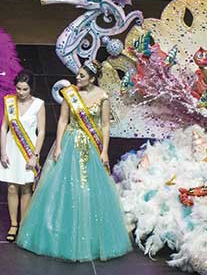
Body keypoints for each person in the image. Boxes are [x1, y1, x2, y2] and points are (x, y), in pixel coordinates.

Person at [15, 63, 131, 261]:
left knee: (90, 190)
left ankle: (91, 240)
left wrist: (104, 151)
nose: (78, 78)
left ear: (92, 79)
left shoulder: (102, 96)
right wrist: (58, 145)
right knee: (64, 188)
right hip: (70, 142)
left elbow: (104, 125)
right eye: (78, 74)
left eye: (82, 75)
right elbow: (62, 120)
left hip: (92, 147)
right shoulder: (69, 93)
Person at [0, 70, 45, 243]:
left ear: (31, 88)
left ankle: (24, 224)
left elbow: (42, 132)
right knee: (11, 187)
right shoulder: (10, 102)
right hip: (11, 147)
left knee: (26, 187)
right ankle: (13, 224)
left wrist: (35, 155)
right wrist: (3, 151)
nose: (21, 92)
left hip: (28, 150)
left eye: (25, 89)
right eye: (18, 88)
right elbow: (4, 127)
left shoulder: (39, 104)